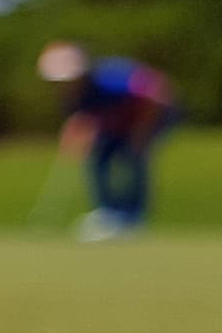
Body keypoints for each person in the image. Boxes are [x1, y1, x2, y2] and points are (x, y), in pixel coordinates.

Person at [37, 42, 180, 241]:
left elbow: (154, 97)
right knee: (97, 159)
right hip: (117, 123)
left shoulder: (109, 79)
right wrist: (74, 134)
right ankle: (108, 215)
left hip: (150, 117)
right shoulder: (71, 94)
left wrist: (140, 134)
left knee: (135, 159)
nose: (62, 84)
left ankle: (134, 219)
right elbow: (83, 116)